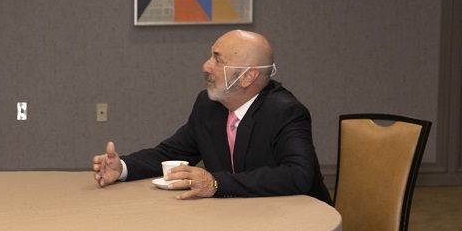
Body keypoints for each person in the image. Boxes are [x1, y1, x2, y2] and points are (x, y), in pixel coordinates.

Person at [92, 30, 332, 205]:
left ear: (247, 77)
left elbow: (298, 175)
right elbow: (170, 154)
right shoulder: (209, 106)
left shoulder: (285, 111)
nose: (206, 66)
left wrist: (216, 183)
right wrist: (122, 167)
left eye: (218, 59)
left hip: (295, 228)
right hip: (237, 220)